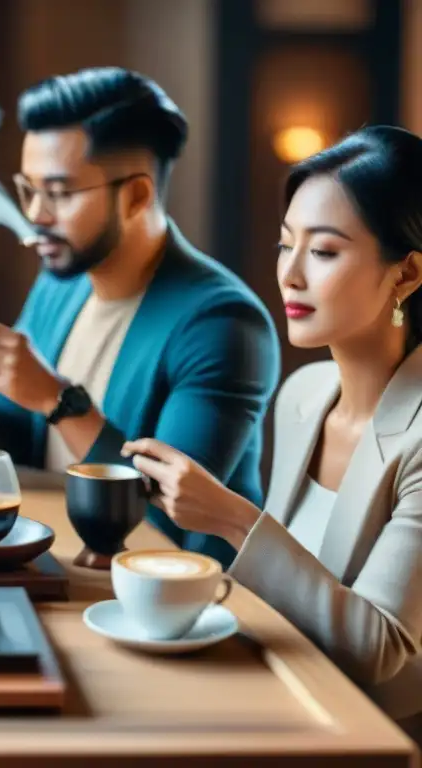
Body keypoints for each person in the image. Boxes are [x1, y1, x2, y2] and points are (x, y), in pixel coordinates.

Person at [0, 67, 281, 567]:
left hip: (174, 598)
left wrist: (56, 398)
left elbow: (171, 512)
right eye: (30, 191)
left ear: (135, 196)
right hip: (58, 561)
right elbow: (15, 444)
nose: (37, 216)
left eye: (60, 194)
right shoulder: (61, 284)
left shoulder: (222, 323)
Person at [119, 125, 422, 741]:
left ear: (407, 274)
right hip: (282, 695)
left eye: (325, 251)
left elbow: (379, 651)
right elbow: (280, 593)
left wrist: (232, 519)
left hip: (375, 738)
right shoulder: (302, 396)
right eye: (286, 245)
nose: (290, 275)